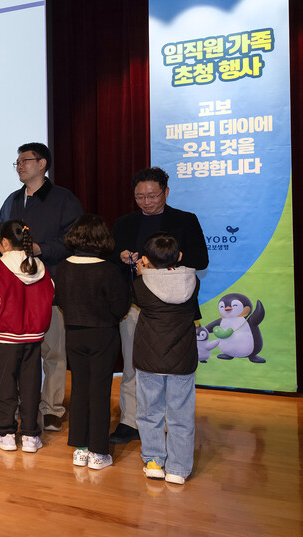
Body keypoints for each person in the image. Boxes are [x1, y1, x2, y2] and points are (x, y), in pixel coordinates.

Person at [109, 167, 209, 444]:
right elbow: (112, 257)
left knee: (173, 370)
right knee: (134, 364)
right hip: (136, 304)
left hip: (174, 308)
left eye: (153, 196)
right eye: (140, 197)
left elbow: (201, 259)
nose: (147, 202)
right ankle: (130, 421)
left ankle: (167, 423)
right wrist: (121, 256)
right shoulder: (125, 223)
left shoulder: (185, 220)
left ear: (166, 192)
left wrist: (165, 258)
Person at [0, 142, 83, 432]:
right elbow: (1, 237)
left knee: (53, 351)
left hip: (50, 286)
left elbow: (74, 240)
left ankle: (52, 407)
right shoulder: (12, 200)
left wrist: (40, 248)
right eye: (17, 162)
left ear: (42, 163)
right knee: (15, 350)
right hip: (15, 289)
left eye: (25, 160)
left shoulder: (63, 199)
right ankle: (12, 405)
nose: (20, 166)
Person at [54, 215, 130, 468]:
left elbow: (60, 300)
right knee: (99, 392)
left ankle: (80, 449)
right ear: (102, 239)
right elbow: (120, 308)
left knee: (79, 390)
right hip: (102, 335)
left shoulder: (63, 267)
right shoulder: (108, 270)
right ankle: (98, 452)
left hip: (74, 334)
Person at [0, 222, 54, 455]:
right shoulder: (39, 267)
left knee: (5, 385)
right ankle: (30, 435)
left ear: (4, 243)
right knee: (31, 385)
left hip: (7, 339)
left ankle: (5, 433)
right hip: (33, 338)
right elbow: (49, 294)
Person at [133, 232, 200, 485]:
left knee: (149, 412)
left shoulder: (140, 284)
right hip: (182, 359)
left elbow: (143, 293)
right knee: (181, 416)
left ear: (146, 259)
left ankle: (153, 463)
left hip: (149, 359)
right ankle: (178, 469)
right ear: (179, 256)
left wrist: (142, 273)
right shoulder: (193, 281)